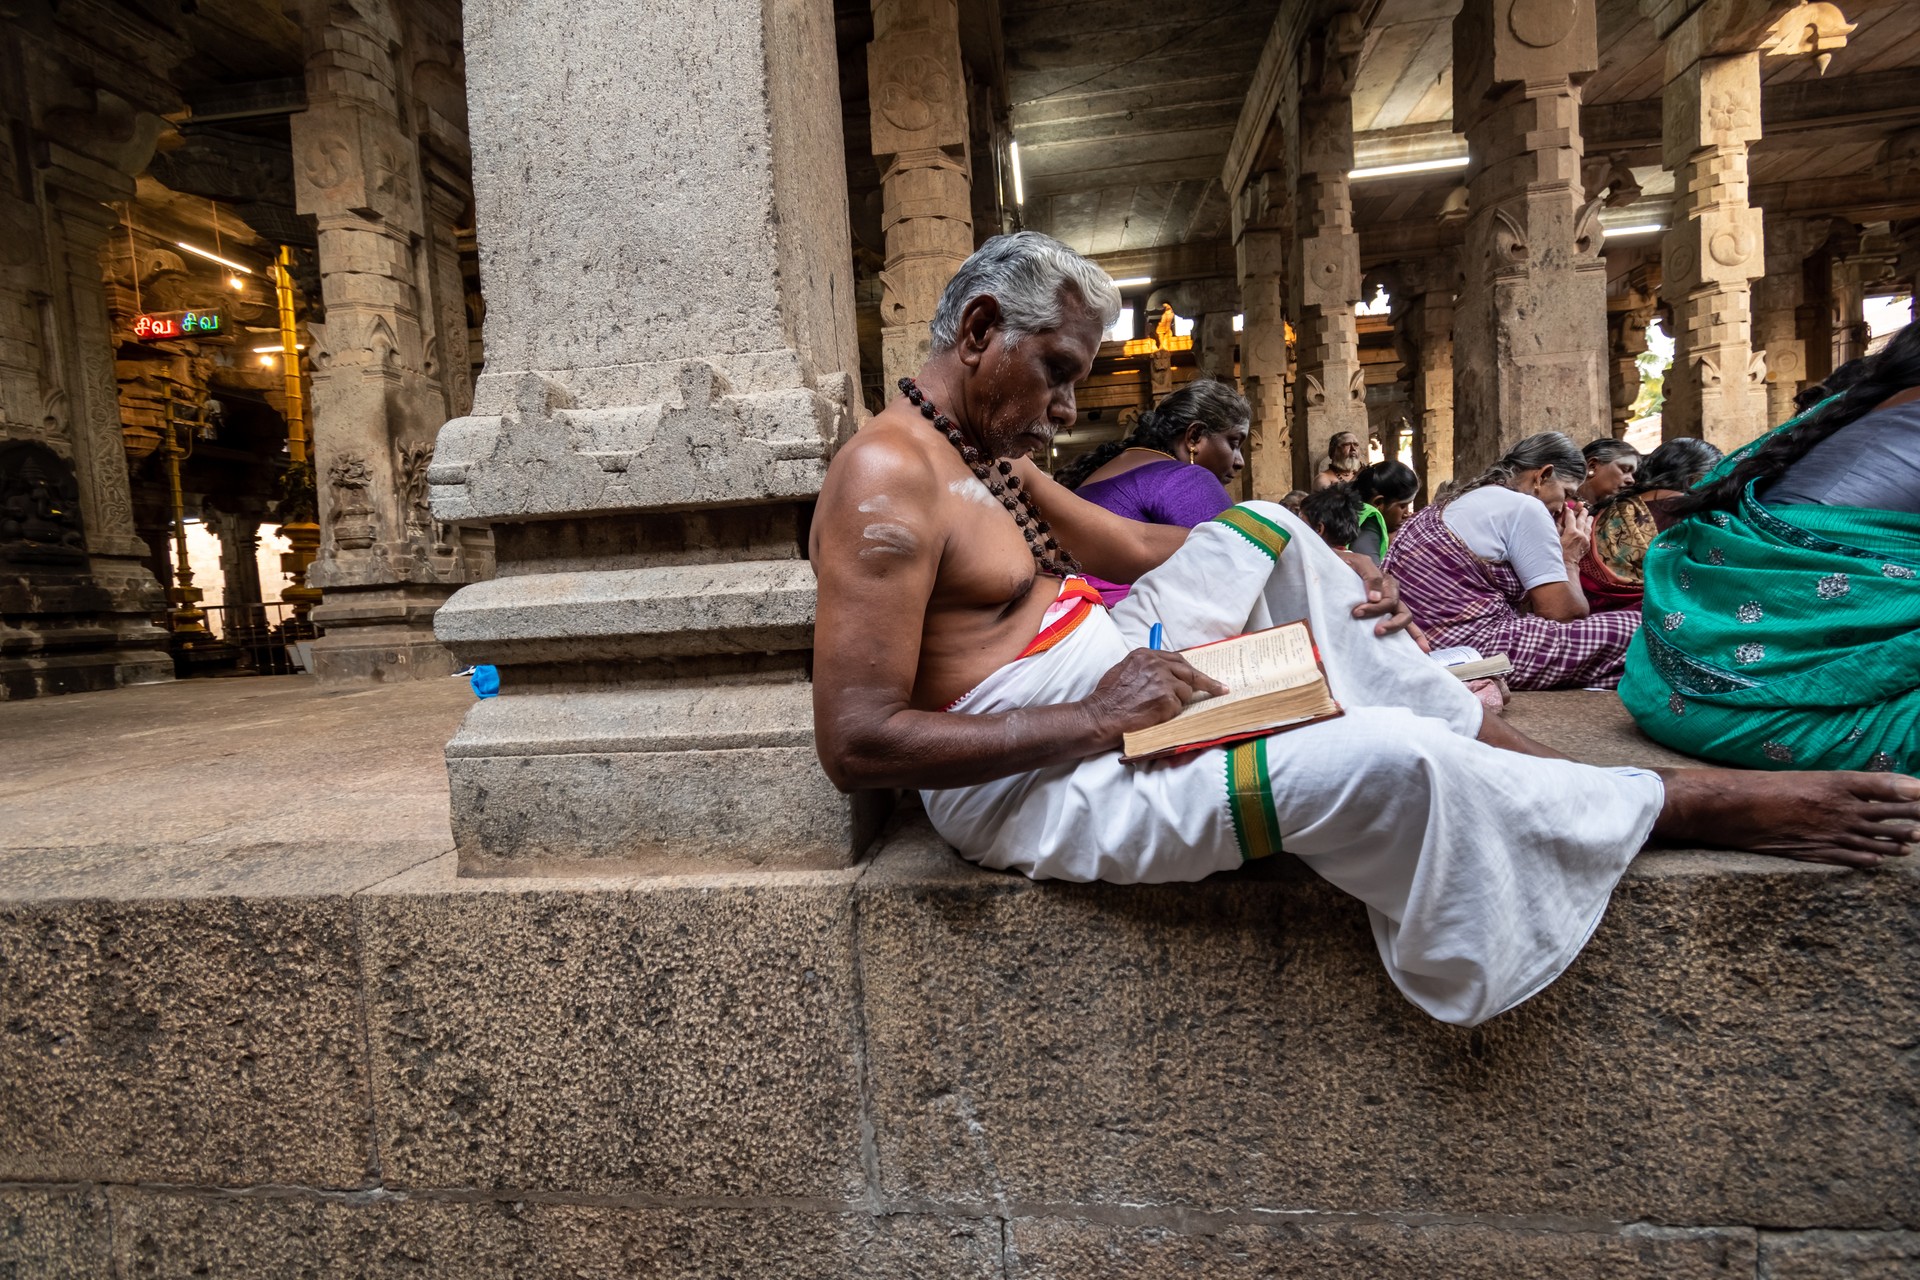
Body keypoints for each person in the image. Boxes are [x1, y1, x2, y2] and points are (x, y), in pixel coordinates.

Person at [809, 230, 1919, 1029]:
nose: (1064, 411)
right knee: (1383, 757)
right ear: (982, 326)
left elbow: (1139, 552)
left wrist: (1334, 558)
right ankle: (1665, 805)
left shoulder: (983, 451)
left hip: (1106, 676)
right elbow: (857, 741)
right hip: (1033, 777)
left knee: (1265, 525)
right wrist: (1097, 713)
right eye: (1057, 374)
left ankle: (1515, 756)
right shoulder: (884, 479)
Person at [1620, 320, 1920, 774]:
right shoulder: (1636, 506)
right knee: (1606, 629)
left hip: (1658, 681)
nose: (1623, 476)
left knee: (1612, 629)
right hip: (1783, 710)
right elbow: (1563, 601)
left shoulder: (1835, 419)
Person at [1384, 432, 1643, 689]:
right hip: (1469, 649)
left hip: (1417, 643)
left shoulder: (1460, 500)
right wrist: (1570, 558)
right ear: (1543, 475)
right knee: (1639, 628)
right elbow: (1563, 613)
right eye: (1567, 492)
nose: (1567, 506)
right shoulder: (1526, 507)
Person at [1053, 380, 1247, 603]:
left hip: (1068, 617)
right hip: (1128, 626)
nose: (1239, 461)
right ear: (1194, 437)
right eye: (1233, 443)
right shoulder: (1186, 478)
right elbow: (1236, 575)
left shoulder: (1101, 473)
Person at [1577, 438, 1722, 612]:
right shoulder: (1694, 513)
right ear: (1699, 476)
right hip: (1650, 618)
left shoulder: (1608, 506)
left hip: (1589, 609)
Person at [1350, 460, 1419, 563]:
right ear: (1378, 503)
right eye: (1403, 506)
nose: (1407, 514)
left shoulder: (1352, 510)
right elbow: (1374, 575)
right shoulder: (1369, 521)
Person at [1299, 483, 1363, 550]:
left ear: (1318, 529)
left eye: (1301, 521)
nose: (1297, 526)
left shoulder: (1312, 558)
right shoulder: (1349, 557)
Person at [1579, 438, 1640, 506]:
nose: (1632, 480)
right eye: (1625, 469)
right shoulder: (1566, 507)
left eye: (1632, 474)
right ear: (1592, 466)